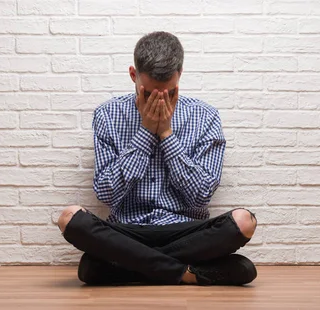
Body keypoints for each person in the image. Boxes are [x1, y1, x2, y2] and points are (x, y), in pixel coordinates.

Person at [59, 31, 258, 286]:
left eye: (169, 92)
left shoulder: (205, 116)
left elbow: (201, 196)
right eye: (151, 93)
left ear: (180, 74)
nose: (160, 101)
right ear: (134, 75)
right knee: (69, 217)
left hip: (184, 231)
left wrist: (166, 133)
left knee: (243, 221)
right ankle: (185, 273)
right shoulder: (107, 115)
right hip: (128, 231)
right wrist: (144, 133)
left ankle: (129, 266)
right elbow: (106, 194)